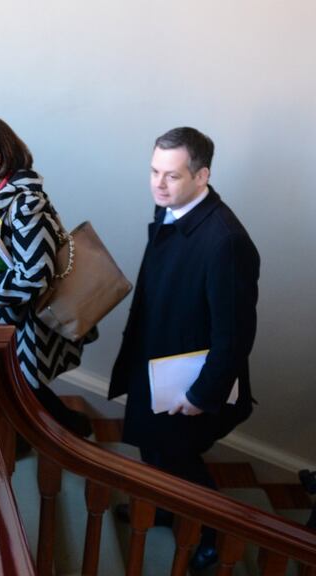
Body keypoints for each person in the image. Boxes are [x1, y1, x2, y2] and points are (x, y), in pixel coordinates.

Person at [109, 126, 259, 571]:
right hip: (155, 359)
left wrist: (201, 395)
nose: (158, 183)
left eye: (171, 176)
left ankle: (213, 535)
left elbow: (234, 335)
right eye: (154, 171)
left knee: (180, 459)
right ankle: (162, 508)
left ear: (202, 175)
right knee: (154, 451)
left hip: (188, 380)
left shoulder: (225, 241)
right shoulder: (172, 208)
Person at [0, 114, 95, 437]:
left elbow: (34, 278)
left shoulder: (27, 205)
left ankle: (67, 431)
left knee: (20, 388)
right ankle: (24, 435)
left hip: (17, 324)